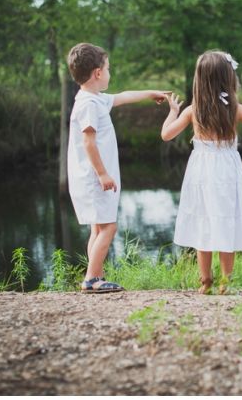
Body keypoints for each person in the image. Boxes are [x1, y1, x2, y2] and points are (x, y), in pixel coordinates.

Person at [161, 50, 242, 294]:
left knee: (202, 221)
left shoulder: (193, 110)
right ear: (228, 78)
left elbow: (166, 135)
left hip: (201, 170)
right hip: (226, 170)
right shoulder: (235, 109)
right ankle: (226, 282)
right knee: (227, 222)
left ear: (200, 79)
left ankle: (205, 281)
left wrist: (173, 110)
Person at [66, 42, 169, 293]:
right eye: (108, 69)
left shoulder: (94, 98)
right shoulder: (88, 105)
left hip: (93, 178)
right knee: (109, 227)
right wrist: (102, 173)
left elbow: (123, 96)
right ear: (97, 73)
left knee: (98, 227)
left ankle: (96, 275)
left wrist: (151, 92)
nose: (110, 73)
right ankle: (91, 280)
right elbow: (88, 141)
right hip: (94, 178)